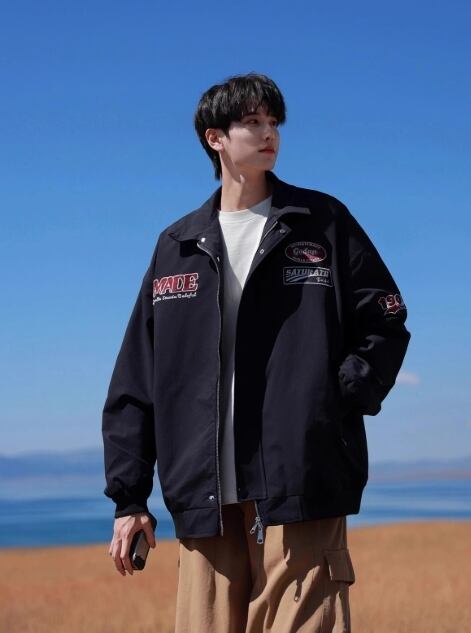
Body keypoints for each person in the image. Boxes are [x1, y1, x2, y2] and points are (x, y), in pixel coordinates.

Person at [102, 72, 411, 632]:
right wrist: (130, 499)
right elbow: (137, 380)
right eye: (252, 122)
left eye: (274, 123)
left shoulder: (322, 222)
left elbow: (385, 319)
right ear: (215, 137)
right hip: (206, 501)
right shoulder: (176, 247)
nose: (269, 133)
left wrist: (333, 401)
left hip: (301, 484)